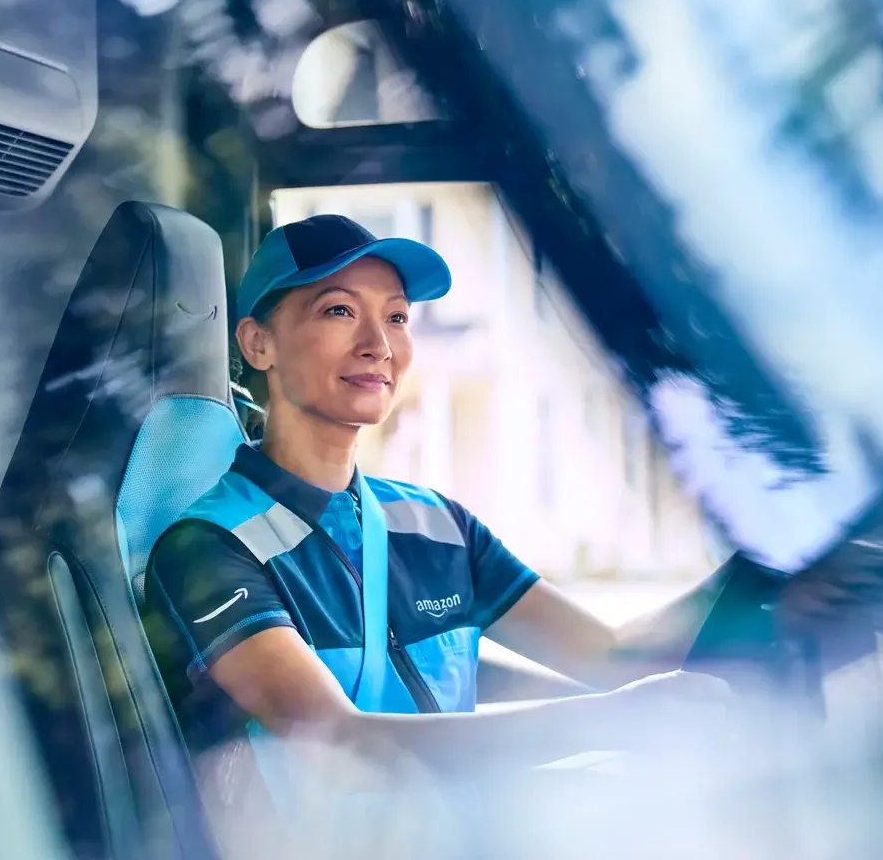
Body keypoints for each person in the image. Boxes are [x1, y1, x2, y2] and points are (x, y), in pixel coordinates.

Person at [141, 214, 736, 794]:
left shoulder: (438, 524)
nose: (379, 345)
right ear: (259, 343)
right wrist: (611, 719)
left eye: (397, 317)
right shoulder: (207, 548)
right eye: (339, 311)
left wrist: (748, 576)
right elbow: (340, 744)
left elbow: (611, 656)